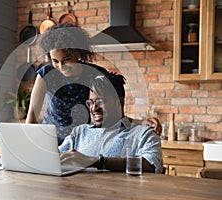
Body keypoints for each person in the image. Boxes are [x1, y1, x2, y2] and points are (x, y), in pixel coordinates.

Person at [26, 23, 162, 145]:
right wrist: (31, 145)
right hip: (49, 142)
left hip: (82, 142)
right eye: (55, 61)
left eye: (67, 59)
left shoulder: (95, 74)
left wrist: (142, 122)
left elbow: (113, 113)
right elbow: (32, 115)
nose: (61, 66)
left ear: (78, 53)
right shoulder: (47, 73)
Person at [59, 72, 163, 173]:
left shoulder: (143, 133)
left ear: (119, 103)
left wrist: (98, 162)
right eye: (91, 102)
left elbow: (152, 165)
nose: (94, 108)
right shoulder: (79, 132)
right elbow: (55, 158)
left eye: (101, 101)